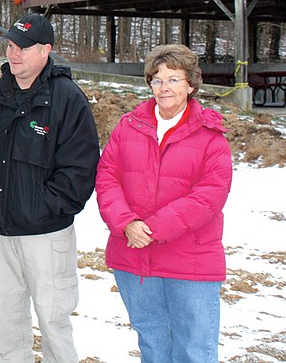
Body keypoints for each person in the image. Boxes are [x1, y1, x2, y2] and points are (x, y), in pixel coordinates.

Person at [0, 13, 100, 363]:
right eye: (11, 45)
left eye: (23, 47)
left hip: (46, 235)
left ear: (46, 50)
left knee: (53, 324)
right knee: (3, 325)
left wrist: (43, 208)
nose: (14, 54)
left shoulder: (68, 99)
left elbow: (80, 170)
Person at [95, 44, 232, 363]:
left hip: (191, 262)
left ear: (191, 85)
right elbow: (107, 177)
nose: (164, 87)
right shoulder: (128, 127)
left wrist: (153, 228)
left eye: (173, 79)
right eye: (157, 80)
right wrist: (126, 223)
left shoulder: (211, 136)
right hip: (135, 256)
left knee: (194, 350)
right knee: (153, 345)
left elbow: (209, 195)